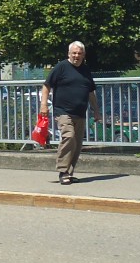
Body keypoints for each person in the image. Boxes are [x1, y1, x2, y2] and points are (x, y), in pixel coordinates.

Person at [40, 41, 102, 185]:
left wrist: (96, 111)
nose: (76, 56)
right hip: (63, 111)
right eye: (74, 53)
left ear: (84, 55)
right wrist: (43, 105)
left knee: (77, 144)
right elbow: (46, 86)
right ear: (69, 54)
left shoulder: (86, 70)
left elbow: (91, 92)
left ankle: (69, 172)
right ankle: (62, 170)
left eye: (79, 53)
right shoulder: (61, 67)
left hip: (80, 112)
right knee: (69, 136)